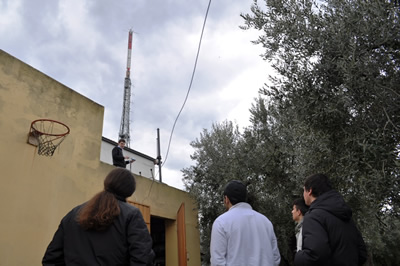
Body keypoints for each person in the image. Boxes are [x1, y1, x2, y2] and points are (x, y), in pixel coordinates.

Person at [42, 168, 154, 265]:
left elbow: (51, 258)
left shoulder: (73, 214)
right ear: (130, 191)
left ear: (107, 183)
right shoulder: (132, 215)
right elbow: (143, 258)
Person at [294, 173, 367, 266]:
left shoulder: (314, 216)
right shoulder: (345, 216)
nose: (303, 194)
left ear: (310, 191)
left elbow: (315, 256)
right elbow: (362, 253)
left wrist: (298, 256)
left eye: (303, 190)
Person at [210, 180, 281, 266]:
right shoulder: (265, 221)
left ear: (226, 199)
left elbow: (217, 261)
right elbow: (276, 258)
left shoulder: (221, 222)